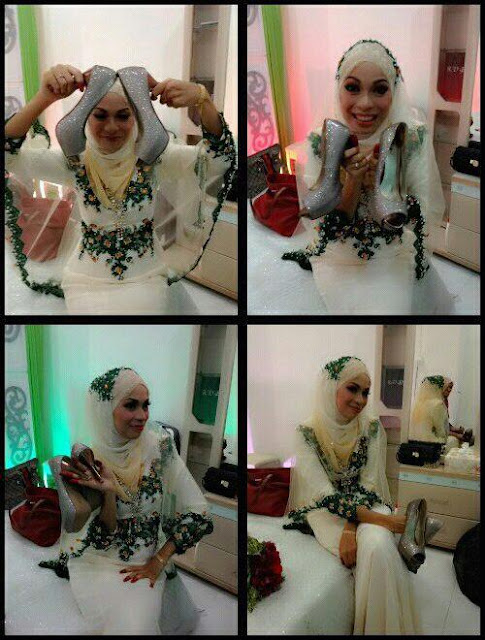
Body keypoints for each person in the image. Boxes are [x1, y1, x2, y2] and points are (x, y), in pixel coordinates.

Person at [5, 64, 236, 314]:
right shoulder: (74, 163)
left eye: (123, 116)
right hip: (86, 279)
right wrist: (44, 98)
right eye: (100, 116)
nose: (112, 127)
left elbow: (219, 161)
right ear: (86, 117)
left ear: (136, 117)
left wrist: (203, 99)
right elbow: (8, 157)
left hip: (147, 275)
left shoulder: (156, 159)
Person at [282, 39, 454, 314]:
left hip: (394, 251)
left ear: (394, 92)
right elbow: (326, 225)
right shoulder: (320, 140)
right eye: (352, 88)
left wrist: (382, 186)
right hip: (338, 253)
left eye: (379, 89)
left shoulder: (412, 137)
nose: (365, 103)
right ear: (339, 88)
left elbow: (422, 213)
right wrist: (352, 181)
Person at [40, 367, 214, 635]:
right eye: (131, 405)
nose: (142, 415)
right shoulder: (91, 459)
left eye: (146, 405)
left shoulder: (159, 447)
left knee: (136, 625)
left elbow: (199, 511)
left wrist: (159, 560)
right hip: (101, 561)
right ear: (105, 409)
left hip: (146, 561)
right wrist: (109, 493)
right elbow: (104, 537)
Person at [284, 356, 421, 634]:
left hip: (367, 504)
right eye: (353, 389)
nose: (360, 400)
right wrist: (388, 522)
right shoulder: (306, 432)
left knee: (377, 545)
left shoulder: (371, 428)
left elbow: (369, 484)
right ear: (331, 388)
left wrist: (351, 528)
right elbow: (324, 494)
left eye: (366, 392)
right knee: (378, 546)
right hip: (326, 512)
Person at [409, 375, 451, 444]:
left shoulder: (418, 404)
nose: (448, 390)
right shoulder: (438, 404)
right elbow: (441, 432)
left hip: (414, 443)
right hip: (432, 445)